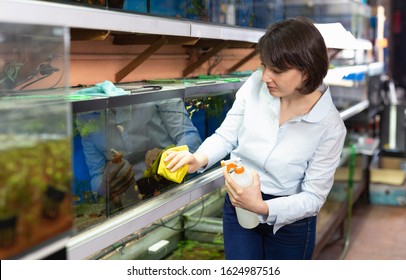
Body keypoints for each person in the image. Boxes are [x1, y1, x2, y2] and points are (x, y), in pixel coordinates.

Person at [164, 17, 347, 260]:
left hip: (289, 223)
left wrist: (262, 208)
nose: (265, 77)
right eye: (264, 66)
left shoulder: (330, 127)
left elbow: (313, 197)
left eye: (277, 71)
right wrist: (198, 159)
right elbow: (226, 136)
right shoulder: (255, 86)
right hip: (238, 206)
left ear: (306, 71)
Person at [76, 97, 202, 203]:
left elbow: (191, 138)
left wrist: (166, 156)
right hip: (127, 202)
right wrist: (105, 186)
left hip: (173, 188)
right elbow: (96, 175)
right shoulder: (85, 116)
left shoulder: (158, 92)